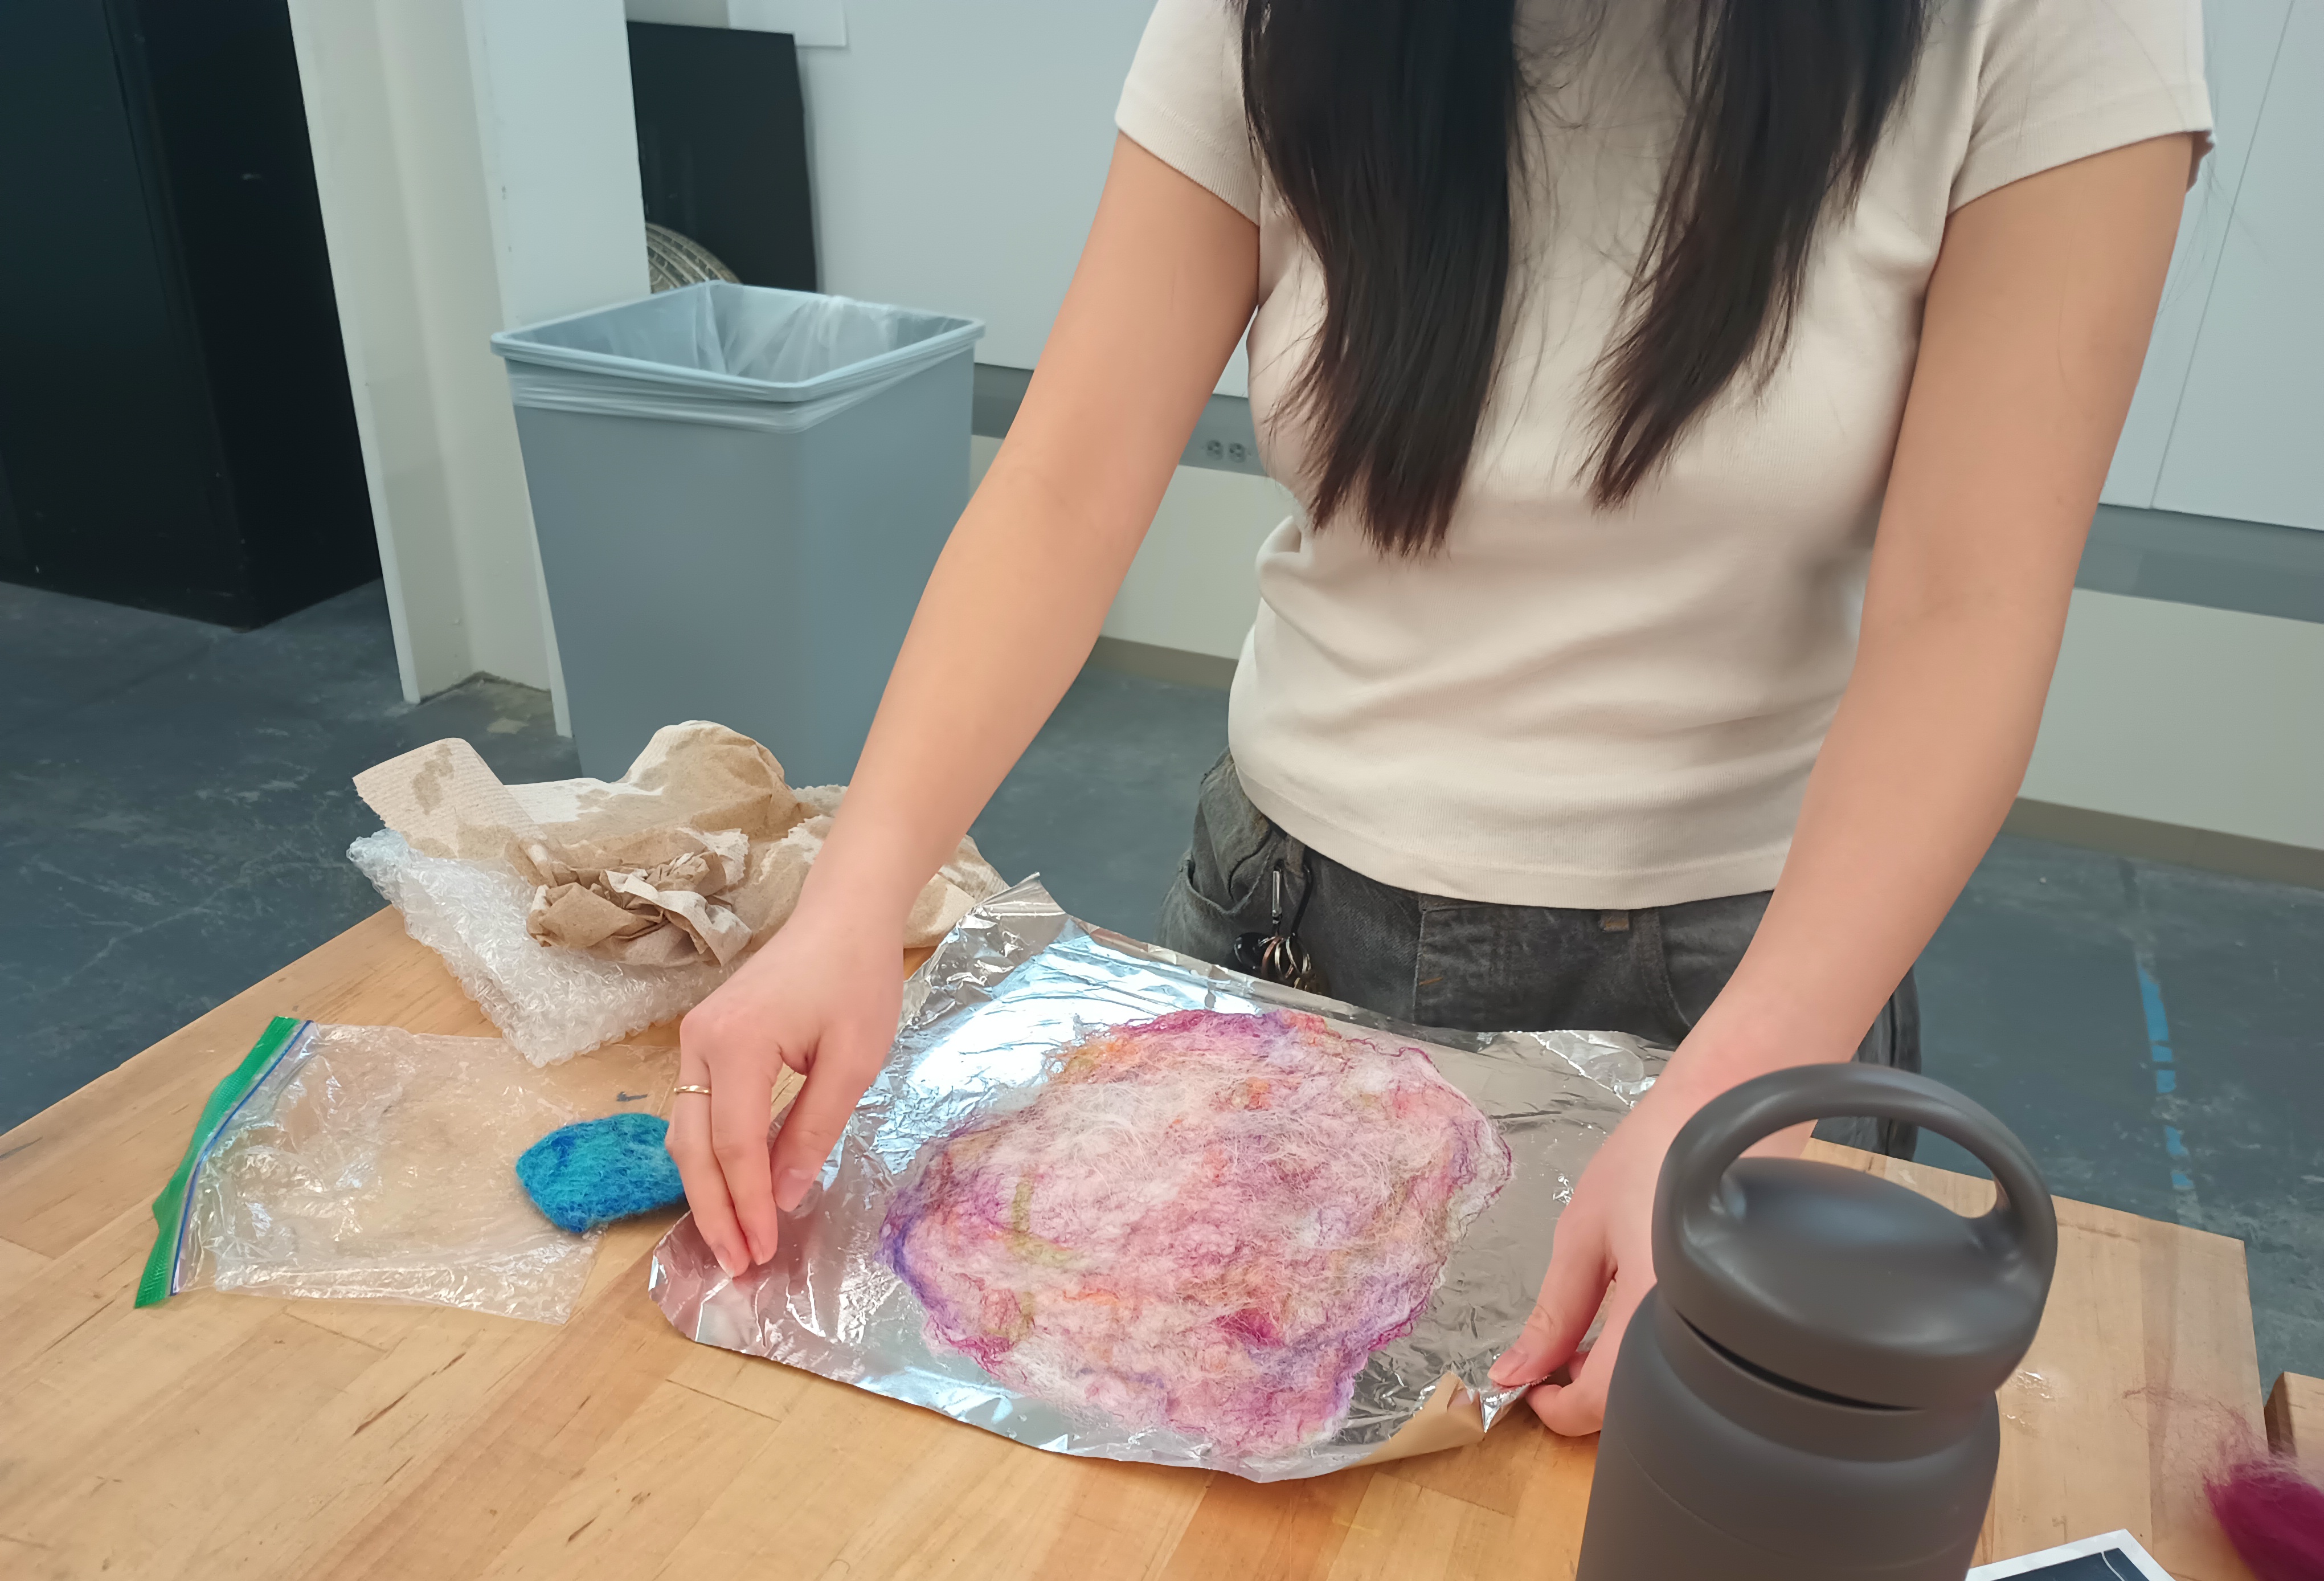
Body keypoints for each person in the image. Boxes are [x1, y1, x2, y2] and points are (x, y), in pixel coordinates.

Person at [670, 0, 2210, 1435]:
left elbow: (1970, 606)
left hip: (1738, 988)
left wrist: (1743, 1081)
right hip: (1280, 924)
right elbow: (1067, 483)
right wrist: (853, 896)